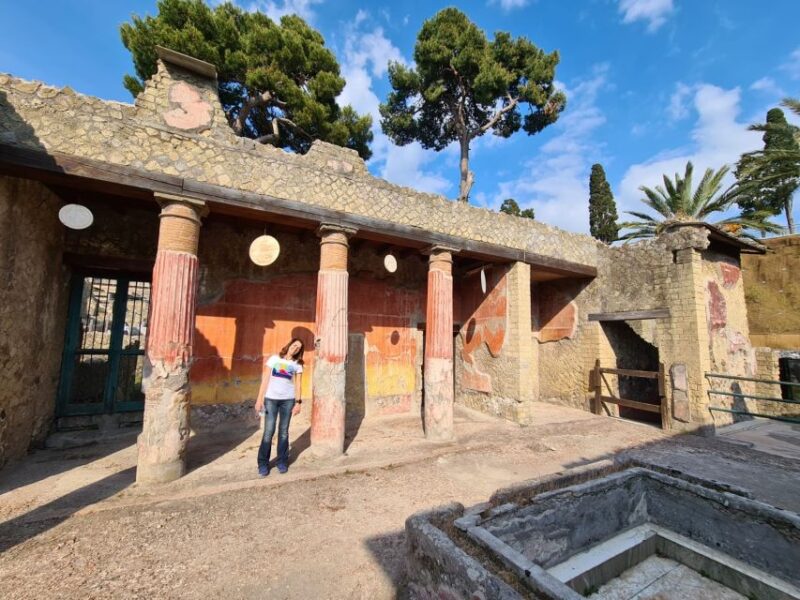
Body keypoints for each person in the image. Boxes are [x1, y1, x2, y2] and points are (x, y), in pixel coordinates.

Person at [254, 338, 305, 477]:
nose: (295, 348)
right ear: (289, 345)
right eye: (294, 345)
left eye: (298, 348)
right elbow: (265, 379)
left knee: (283, 432)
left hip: (288, 400)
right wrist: (259, 399)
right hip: (271, 399)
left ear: (300, 351)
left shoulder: (297, 364)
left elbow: (299, 384)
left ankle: (282, 461)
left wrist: (298, 403)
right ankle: (263, 463)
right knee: (268, 432)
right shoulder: (274, 359)